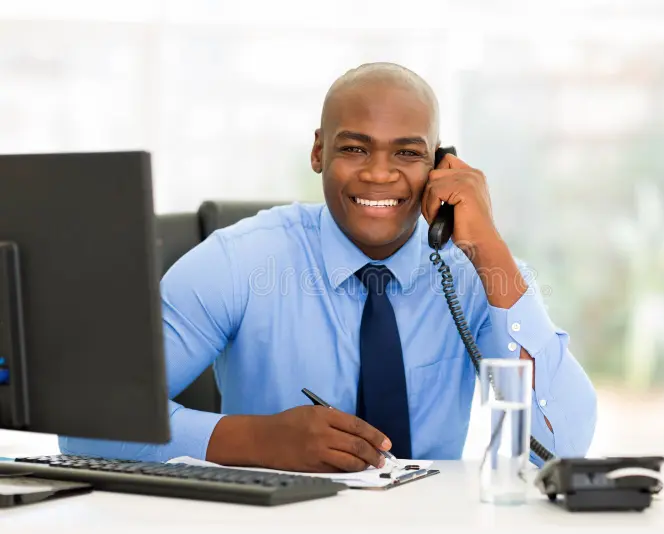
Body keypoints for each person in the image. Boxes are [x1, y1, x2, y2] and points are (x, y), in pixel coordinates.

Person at [60, 62, 597, 472]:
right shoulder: (238, 261)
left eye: (408, 154)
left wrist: (491, 253)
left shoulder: (475, 274)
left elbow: (560, 449)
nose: (380, 175)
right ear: (319, 152)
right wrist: (254, 440)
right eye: (355, 149)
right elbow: (88, 424)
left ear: (440, 164)